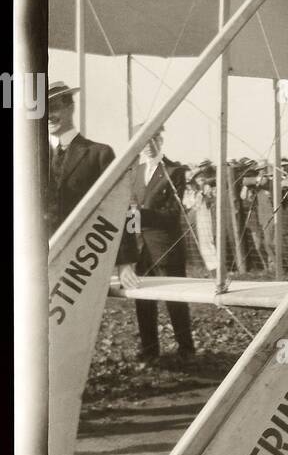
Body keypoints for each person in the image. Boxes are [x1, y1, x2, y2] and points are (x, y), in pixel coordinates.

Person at [123, 126, 196, 363]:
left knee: (175, 298)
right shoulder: (135, 171)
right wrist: (133, 240)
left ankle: (186, 348)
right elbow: (130, 207)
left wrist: (142, 214)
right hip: (141, 248)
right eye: (143, 139)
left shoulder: (174, 171)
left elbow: (174, 213)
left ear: (160, 139)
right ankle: (150, 349)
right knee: (143, 299)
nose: (148, 144)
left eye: (152, 138)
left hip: (166, 246)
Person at [46, 81, 117, 235]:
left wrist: (125, 257)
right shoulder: (32, 161)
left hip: (85, 253)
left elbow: (115, 210)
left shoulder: (100, 154)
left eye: (54, 107)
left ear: (71, 108)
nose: (48, 116)